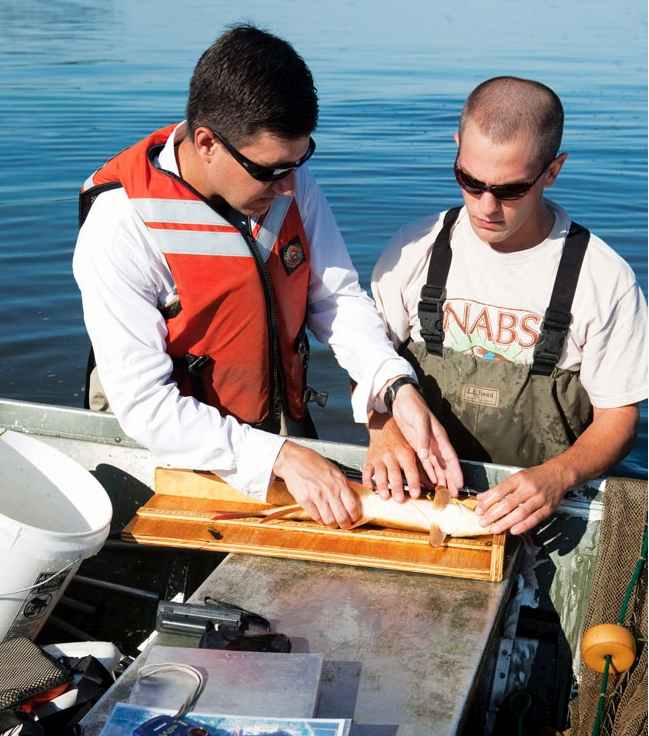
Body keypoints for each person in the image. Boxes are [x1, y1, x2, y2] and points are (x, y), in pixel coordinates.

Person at [73, 25, 463, 529]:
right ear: (207, 143)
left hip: (272, 428)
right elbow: (145, 404)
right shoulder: (121, 226)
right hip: (164, 453)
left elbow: (336, 299)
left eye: (300, 162)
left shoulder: (286, 178)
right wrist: (281, 456)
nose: (289, 188)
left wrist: (392, 386)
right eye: (271, 171)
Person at [367, 76, 647, 535]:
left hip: (544, 511)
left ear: (552, 171)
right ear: (457, 148)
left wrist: (557, 477)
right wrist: (382, 428)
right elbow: (369, 358)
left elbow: (618, 418)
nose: (486, 207)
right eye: (469, 181)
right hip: (422, 500)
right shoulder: (414, 250)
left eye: (510, 190)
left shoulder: (603, 279)